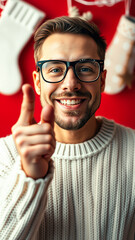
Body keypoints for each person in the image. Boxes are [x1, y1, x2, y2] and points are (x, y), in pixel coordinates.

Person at [0, 16, 135, 240]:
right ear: (37, 81)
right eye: (54, 69)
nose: (70, 83)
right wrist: (29, 178)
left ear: (102, 80)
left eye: (85, 68)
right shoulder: (5, 156)